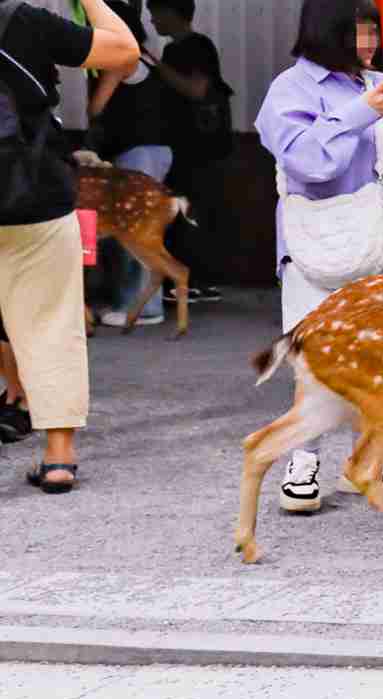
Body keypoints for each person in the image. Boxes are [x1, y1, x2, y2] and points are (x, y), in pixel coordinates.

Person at [257, 0, 383, 513]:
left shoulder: (382, 81)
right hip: (322, 247)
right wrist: (361, 112)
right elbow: (309, 161)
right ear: (324, 33)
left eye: (372, 33)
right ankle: (302, 457)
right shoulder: (290, 90)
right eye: (357, 33)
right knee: (318, 356)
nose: (368, 45)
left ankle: (374, 451)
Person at [0, 0, 139, 492]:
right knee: (51, 322)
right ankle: (59, 457)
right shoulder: (22, 22)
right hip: (34, 196)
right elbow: (125, 53)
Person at [87, 1, 172, 325]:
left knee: (135, 232)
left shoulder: (123, 57)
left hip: (141, 153)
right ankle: (134, 305)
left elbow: (96, 108)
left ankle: (143, 309)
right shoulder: (146, 55)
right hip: (152, 150)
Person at [146, 0, 233, 301]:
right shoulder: (173, 50)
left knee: (190, 213)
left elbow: (196, 90)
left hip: (199, 149)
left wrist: (154, 64)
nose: (152, 19)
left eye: (155, 11)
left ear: (171, 12)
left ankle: (191, 281)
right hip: (182, 146)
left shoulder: (198, 46)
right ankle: (187, 280)